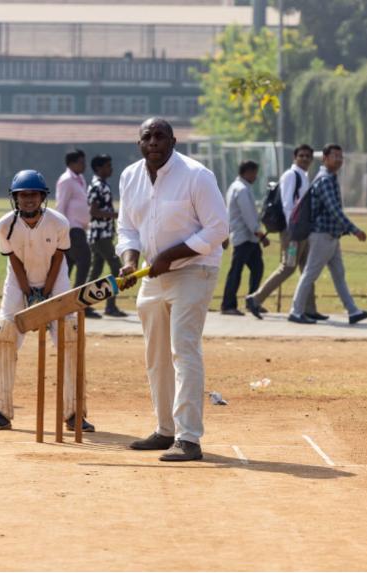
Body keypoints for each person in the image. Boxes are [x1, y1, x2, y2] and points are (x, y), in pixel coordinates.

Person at [116, 118, 228, 461]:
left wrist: (171, 255)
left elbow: (218, 228)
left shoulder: (196, 175)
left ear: (173, 141)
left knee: (184, 350)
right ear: (139, 144)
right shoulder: (130, 176)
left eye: (160, 136)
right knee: (156, 355)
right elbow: (127, 228)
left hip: (194, 270)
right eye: (147, 137)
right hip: (152, 275)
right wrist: (131, 261)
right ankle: (165, 430)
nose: (153, 142)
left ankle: (189, 438)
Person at [0, 169, 94, 433]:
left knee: (70, 336)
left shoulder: (58, 222)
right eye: (23, 195)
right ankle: (0, 410)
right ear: (15, 198)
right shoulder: (4, 225)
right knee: (2, 335)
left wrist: (45, 294)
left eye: (34, 194)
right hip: (17, 285)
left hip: (57, 283)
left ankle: (75, 414)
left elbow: (58, 258)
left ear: (43, 197)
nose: (28, 199)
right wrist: (29, 294)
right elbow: (14, 261)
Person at [288, 144, 367, 325]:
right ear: (325, 158)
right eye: (335, 156)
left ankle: (352, 311)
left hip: (331, 236)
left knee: (338, 275)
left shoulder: (330, 177)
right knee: (310, 274)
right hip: (322, 235)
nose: (339, 160)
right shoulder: (325, 180)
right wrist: (355, 230)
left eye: (341, 156)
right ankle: (295, 312)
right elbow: (334, 210)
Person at [245, 145, 325, 320]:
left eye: (307, 156)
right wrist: (293, 229)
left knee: (307, 269)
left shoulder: (303, 176)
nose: (304, 159)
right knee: (288, 267)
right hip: (293, 232)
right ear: (294, 157)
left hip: (303, 231)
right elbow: (288, 204)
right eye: (301, 155)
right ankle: (255, 299)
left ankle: (310, 309)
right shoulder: (291, 175)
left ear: (311, 160)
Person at [220, 160, 269, 315]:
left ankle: (253, 300)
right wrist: (259, 233)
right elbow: (248, 215)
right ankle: (228, 305)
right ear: (247, 172)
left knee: (257, 268)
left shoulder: (240, 187)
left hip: (249, 238)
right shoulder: (241, 189)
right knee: (236, 271)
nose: (256, 176)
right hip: (244, 237)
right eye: (254, 173)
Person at [55, 149, 99, 319]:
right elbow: (61, 206)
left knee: (67, 268)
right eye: (81, 162)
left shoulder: (79, 179)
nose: (84, 165)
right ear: (71, 163)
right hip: (72, 230)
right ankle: (79, 304)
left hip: (80, 229)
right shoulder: (66, 180)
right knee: (85, 261)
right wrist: (60, 232)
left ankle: (61, 303)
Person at [86, 154, 127, 317]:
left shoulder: (102, 185)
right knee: (116, 267)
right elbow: (94, 211)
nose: (111, 169)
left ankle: (85, 304)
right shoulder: (98, 186)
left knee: (95, 270)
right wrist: (115, 215)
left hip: (101, 234)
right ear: (98, 168)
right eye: (107, 166)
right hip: (100, 234)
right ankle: (110, 306)